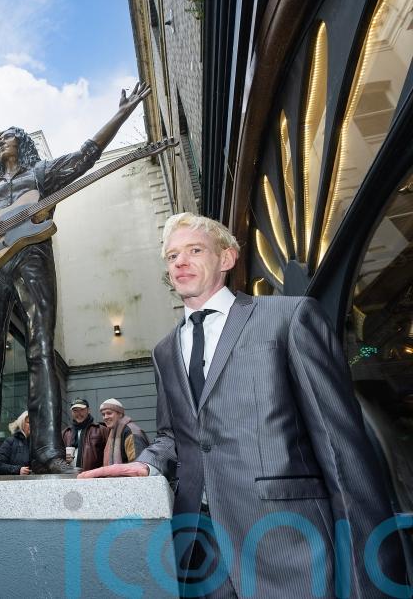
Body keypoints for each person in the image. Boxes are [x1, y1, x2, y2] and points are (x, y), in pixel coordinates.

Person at [79, 213, 406, 597]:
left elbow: (341, 450)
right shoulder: (163, 351)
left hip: (289, 544)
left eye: (194, 250)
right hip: (200, 551)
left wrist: (368, 579)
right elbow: (176, 435)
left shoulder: (288, 318)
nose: (180, 262)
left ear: (227, 258)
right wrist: (147, 463)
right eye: (171, 257)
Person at [0, 83, 150, 475]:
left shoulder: (41, 173)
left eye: (9, 138)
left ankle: (48, 453)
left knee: (41, 350)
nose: (2, 144)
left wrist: (121, 114)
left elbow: (86, 156)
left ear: (24, 145)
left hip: (32, 258)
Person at [98, 398, 148, 465]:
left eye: (109, 413)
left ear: (120, 414)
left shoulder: (131, 432)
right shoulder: (113, 432)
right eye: (103, 414)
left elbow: (138, 465)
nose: (105, 417)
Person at [61, 398, 108, 471]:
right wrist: (63, 458)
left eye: (82, 410)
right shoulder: (65, 433)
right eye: (75, 411)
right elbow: (57, 457)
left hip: (94, 478)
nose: (79, 414)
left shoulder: (101, 430)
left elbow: (109, 457)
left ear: (88, 410)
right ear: (72, 413)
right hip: (70, 477)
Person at [0, 411, 30, 476]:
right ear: (22, 424)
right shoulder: (11, 442)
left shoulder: (39, 444)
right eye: (28, 422)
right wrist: (17, 470)